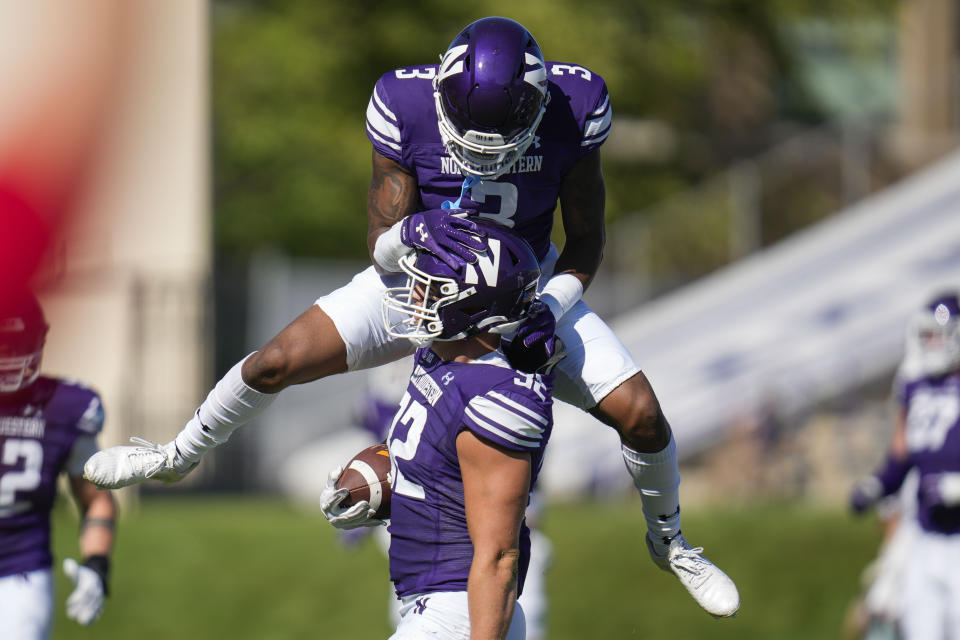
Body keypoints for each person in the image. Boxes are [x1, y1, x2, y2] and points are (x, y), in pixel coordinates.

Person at [83, 15, 739, 618]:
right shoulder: (402, 103)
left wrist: (548, 303)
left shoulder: (576, 108)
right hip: (416, 279)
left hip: (520, 293)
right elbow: (380, 239)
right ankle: (176, 455)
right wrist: (414, 233)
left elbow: (588, 241)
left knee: (643, 416)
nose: (482, 154)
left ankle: (670, 540)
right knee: (274, 361)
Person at [373, 220, 552, 638]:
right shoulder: (441, 359)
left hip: (460, 611)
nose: (415, 294)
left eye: (430, 286)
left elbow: (498, 555)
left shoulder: (491, 396)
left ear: (471, 303)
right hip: (429, 604)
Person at [351, 355, 553, 639]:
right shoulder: (432, 363)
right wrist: (364, 491)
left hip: (459, 596)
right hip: (431, 589)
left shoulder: (491, 386)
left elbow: (499, 554)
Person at [0, 289, 117, 639]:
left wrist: (97, 565)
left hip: (19, 573)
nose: (6, 358)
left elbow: (94, 496)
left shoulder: (65, 407)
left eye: (13, 346)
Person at [850, 292, 960, 640]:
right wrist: (877, 485)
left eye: (937, 335)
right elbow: (901, 456)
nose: (930, 344)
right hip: (925, 538)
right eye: (926, 335)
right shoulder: (915, 387)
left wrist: (954, 488)